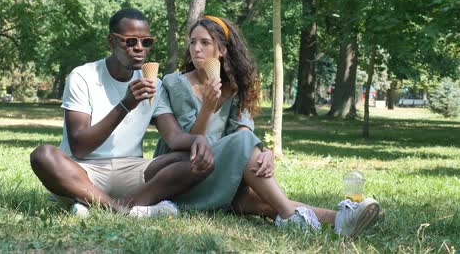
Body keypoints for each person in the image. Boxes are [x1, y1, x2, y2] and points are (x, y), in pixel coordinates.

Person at [153, 15, 382, 237]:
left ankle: (340, 220)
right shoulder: (177, 83)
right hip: (183, 177)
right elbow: (193, 143)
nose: (196, 49)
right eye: (193, 42)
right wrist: (207, 108)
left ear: (222, 50)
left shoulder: (235, 87)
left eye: (205, 42)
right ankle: (293, 215)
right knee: (256, 176)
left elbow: (244, 131)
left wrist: (264, 152)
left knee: (265, 202)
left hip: (221, 172)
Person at [30, 8, 214, 217]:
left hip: (132, 171)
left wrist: (197, 141)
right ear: (111, 41)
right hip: (83, 172)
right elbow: (80, 147)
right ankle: (122, 210)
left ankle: (98, 206)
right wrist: (125, 105)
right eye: (130, 41)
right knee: (43, 155)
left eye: (146, 42)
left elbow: (173, 137)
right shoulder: (83, 76)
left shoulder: (155, 84)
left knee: (197, 161)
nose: (139, 48)